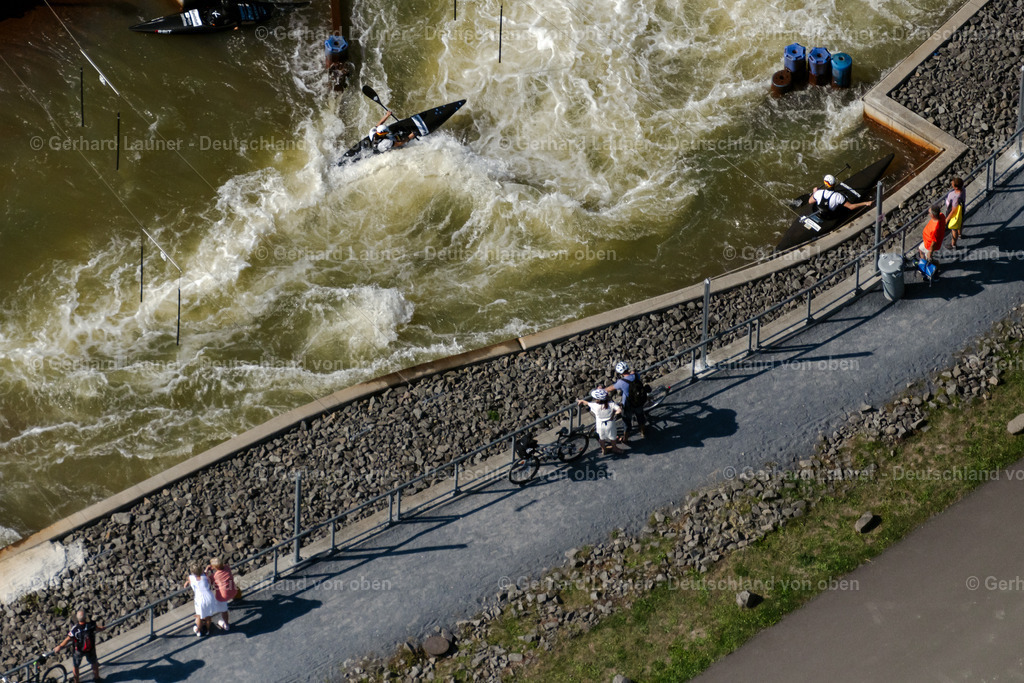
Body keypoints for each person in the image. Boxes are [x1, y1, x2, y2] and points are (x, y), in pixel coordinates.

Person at [54, 608, 105, 683]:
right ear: (85, 617)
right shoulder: (91, 625)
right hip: (90, 649)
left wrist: (59, 646)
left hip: (78, 650)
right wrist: (102, 628)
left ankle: (76, 681)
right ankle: (97, 678)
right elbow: (98, 629)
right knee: (94, 663)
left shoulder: (75, 629)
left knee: (76, 666)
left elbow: (68, 639)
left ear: (77, 619)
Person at [605, 361, 647, 442]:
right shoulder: (636, 375)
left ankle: (625, 439)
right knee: (640, 417)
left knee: (626, 423)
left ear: (620, 373)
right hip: (638, 401)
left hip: (628, 405)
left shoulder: (621, 382)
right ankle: (643, 432)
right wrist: (632, 373)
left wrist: (601, 391)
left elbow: (610, 388)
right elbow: (635, 374)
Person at [577, 388, 623, 455]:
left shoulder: (595, 406)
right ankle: (614, 448)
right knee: (613, 437)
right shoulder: (611, 404)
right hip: (610, 424)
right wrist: (613, 414)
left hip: (600, 425)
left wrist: (581, 401)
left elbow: (587, 403)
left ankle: (603, 449)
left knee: (601, 438)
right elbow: (619, 410)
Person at [185, 564, 227, 637]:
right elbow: (207, 579)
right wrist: (206, 570)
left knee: (199, 617)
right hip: (209, 597)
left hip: (200, 599)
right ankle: (207, 630)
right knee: (208, 616)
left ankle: (198, 631)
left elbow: (188, 583)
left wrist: (187, 582)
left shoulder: (190, 577)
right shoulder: (205, 576)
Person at [808, 174, 873, 216]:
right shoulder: (838, 196)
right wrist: (866, 203)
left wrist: (814, 192)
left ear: (825, 184)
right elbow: (851, 207)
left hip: (820, 212)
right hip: (830, 215)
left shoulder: (819, 192)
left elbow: (810, 201)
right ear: (834, 184)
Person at [205, 557, 239, 631]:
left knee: (224, 611)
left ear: (214, 567)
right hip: (233, 591)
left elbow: (206, 580)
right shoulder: (227, 567)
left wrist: (206, 570)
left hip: (223, 596)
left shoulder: (215, 576)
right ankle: (237, 599)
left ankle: (226, 625)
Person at [944, 177, 965, 248]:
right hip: (961, 210)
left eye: (952, 184)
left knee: (954, 229)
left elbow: (953, 210)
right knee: (960, 222)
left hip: (954, 214)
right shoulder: (963, 189)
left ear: (956, 187)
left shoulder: (955, 196)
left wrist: (946, 220)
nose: (951, 185)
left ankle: (953, 245)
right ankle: (960, 235)